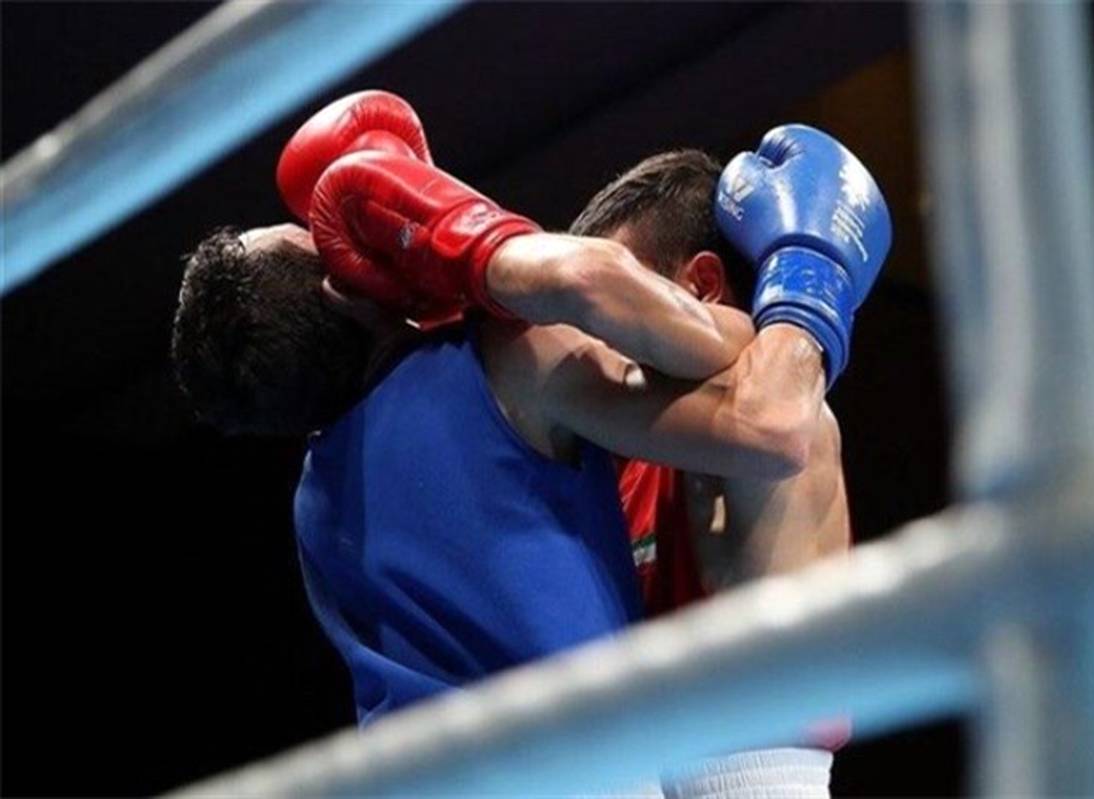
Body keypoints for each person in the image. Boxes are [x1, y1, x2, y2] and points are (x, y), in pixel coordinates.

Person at [171, 91, 889, 795]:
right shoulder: (511, 364)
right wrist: (806, 278)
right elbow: (765, 410)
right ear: (344, 283)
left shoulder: (316, 507)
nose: (603, 334)